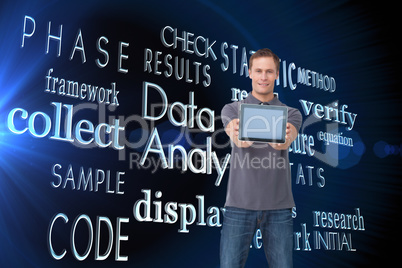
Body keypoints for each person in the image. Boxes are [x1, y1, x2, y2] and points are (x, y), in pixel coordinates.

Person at [220, 48, 302, 268]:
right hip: (239, 205)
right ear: (250, 73)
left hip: (279, 208)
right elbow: (233, 132)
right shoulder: (232, 109)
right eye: (258, 71)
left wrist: (282, 140)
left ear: (277, 74)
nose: (263, 77)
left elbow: (287, 139)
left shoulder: (292, 113)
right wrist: (238, 135)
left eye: (269, 71)